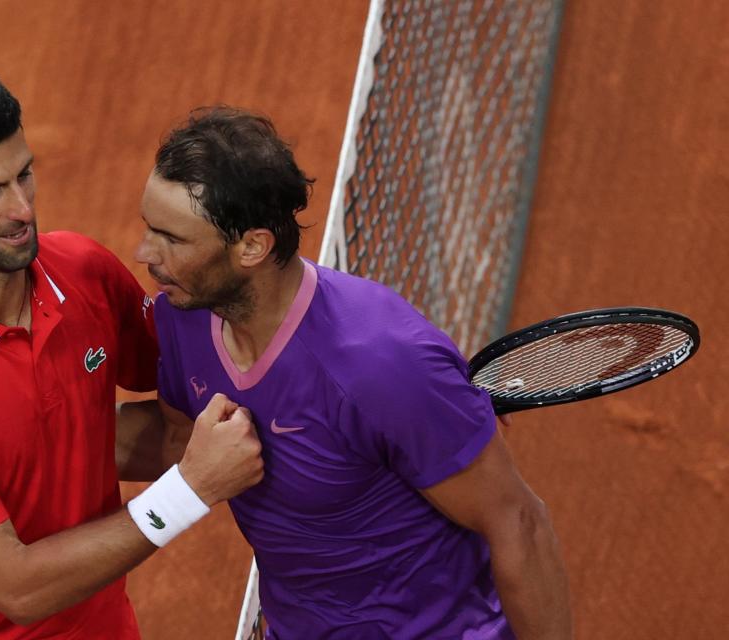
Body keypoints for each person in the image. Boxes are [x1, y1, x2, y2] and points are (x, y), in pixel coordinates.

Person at [0, 60, 263, 639]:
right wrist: (191, 489)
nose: (21, 208)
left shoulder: (82, 272)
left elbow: (179, 408)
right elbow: (18, 587)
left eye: (24, 175)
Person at [135, 106, 573, 639]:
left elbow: (519, 524)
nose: (144, 254)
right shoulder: (184, 319)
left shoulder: (381, 363)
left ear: (252, 246)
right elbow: (179, 440)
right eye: (148, 229)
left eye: (171, 239)